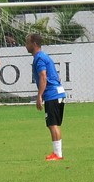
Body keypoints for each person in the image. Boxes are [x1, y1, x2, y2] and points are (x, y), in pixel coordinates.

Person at [25, 33, 66, 161]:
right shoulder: (44, 57)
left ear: (34, 44)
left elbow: (43, 76)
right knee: (53, 124)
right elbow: (55, 76)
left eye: (27, 43)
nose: (25, 45)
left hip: (52, 95)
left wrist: (40, 96)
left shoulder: (39, 58)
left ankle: (58, 154)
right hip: (58, 93)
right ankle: (57, 153)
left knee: (52, 124)